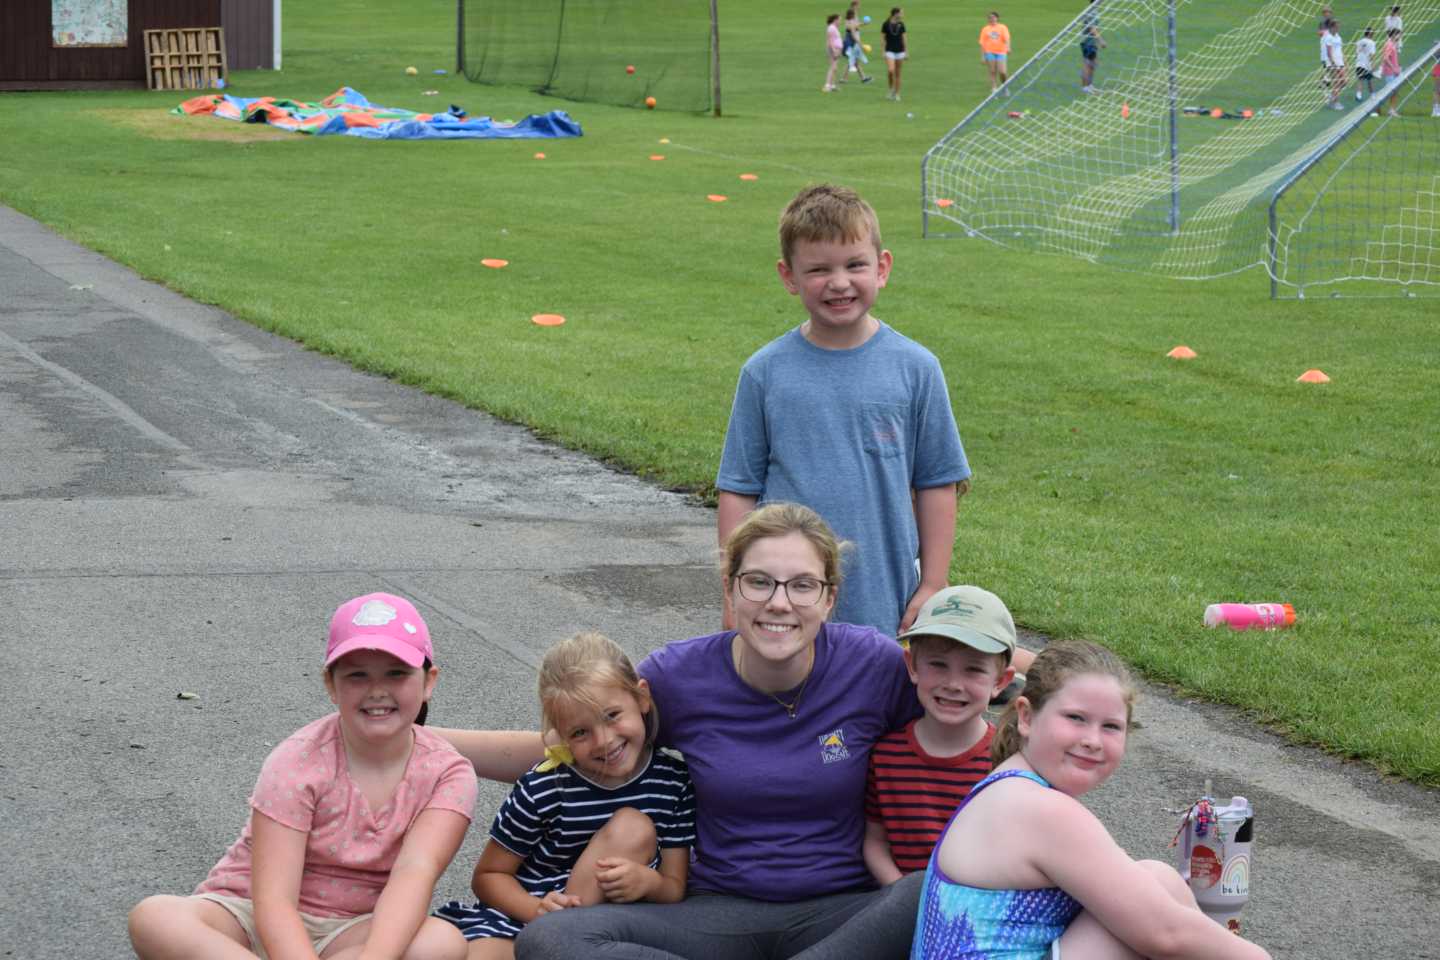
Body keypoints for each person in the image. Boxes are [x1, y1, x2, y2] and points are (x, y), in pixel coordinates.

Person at [510, 502, 931, 959]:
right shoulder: (681, 676)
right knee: (551, 938)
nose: (779, 601)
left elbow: (963, 719)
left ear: (829, 598)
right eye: (759, 581)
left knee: (924, 893)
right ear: (730, 589)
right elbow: (584, 740)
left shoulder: (873, 664)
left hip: (844, 916)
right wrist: (431, 741)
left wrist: (1010, 663)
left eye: (803, 585)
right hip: (718, 913)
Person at [128, 592, 477, 960]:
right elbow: (274, 898)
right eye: (357, 674)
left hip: (353, 927)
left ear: (428, 681)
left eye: (397, 673)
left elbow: (414, 874)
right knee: (156, 916)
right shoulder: (298, 760)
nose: (377, 690)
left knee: (441, 944)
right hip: (247, 915)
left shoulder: (448, 774)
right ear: (331, 684)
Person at [715, 183, 970, 645]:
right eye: (818, 269)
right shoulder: (765, 372)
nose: (839, 282)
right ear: (789, 276)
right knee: (783, 700)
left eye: (855, 264)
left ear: (883, 267)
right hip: (783, 597)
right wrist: (734, 591)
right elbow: (738, 488)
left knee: (871, 704)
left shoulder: (916, 369)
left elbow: (937, 482)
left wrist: (933, 582)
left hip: (881, 596)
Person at [911, 639, 1273, 960]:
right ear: (1026, 716)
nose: (1093, 740)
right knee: (1153, 923)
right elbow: (1166, 934)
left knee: (1155, 879)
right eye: (1076, 718)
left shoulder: (1010, 782)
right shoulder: (1040, 810)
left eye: (1111, 726)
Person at [435, 632, 694, 958]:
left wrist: (648, 883)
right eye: (580, 732)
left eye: (612, 715)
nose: (603, 741)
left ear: (641, 698)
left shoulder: (673, 783)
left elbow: (674, 886)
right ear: (560, 734)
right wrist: (536, 911)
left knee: (633, 826)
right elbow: (489, 876)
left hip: (616, 925)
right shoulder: (544, 788)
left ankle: (564, 942)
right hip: (523, 917)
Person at [863, 585, 1017, 884]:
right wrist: (902, 896)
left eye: (973, 670)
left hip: (977, 905)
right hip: (898, 901)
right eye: (938, 664)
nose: (953, 684)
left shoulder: (1008, 761)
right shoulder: (885, 756)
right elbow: (875, 843)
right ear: (912, 665)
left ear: (1001, 681)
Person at [979, 12, 1011, 94]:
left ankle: (1005, 87)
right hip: (989, 52)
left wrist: (1008, 47)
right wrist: (982, 56)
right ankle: (994, 88)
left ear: (997, 18)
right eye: (990, 17)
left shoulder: (1002, 27)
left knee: (1002, 72)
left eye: (993, 17)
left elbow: (1007, 38)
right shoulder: (985, 29)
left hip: (1001, 52)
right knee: (992, 71)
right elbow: (982, 43)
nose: (992, 19)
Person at [842, 2, 874, 85]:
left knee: (853, 60)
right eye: (858, 5)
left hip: (851, 41)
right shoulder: (850, 18)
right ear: (854, 6)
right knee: (854, 60)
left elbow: (855, 26)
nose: (859, 7)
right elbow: (851, 29)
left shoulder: (852, 17)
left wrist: (863, 24)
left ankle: (845, 78)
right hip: (851, 42)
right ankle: (863, 78)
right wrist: (860, 44)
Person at [881, 7, 908, 101]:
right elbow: (883, 38)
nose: (902, 15)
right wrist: (883, 51)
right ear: (895, 14)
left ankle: (897, 94)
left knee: (898, 73)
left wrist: (906, 51)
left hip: (900, 51)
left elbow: (904, 38)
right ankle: (891, 89)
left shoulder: (901, 24)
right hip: (889, 50)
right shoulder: (886, 24)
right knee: (890, 70)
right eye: (901, 13)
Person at [1080, 0, 1104, 93]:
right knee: (1087, 64)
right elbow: (1092, 28)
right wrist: (1101, 40)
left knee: (1092, 65)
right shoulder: (1091, 12)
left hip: (1091, 42)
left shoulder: (1094, 10)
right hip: (1087, 42)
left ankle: (1090, 85)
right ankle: (1085, 87)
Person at [1322, 19, 1346, 109]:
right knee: (1336, 82)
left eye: (1338, 27)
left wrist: (1345, 62)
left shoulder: (1338, 36)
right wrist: (1334, 64)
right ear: (1332, 27)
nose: (1338, 28)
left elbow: (1340, 50)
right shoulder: (1328, 37)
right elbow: (1329, 52)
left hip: (1340, 62)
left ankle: (1332, 97)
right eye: (1336, 27)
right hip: (1332, 63)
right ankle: (1336, 103)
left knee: (1344, 81)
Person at [1381, 28, 1402, 116]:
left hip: (1394, 72)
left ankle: (1392, 109)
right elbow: (1385, 58)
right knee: (1389, 92)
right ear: (1393, 35)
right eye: (1398, 34)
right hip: (1390, 73)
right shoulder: (1389, 44)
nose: (1399, 36)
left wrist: (1398, 67)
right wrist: (1394, 68)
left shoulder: (1393, 44)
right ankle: (1376, 109)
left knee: (1394, 91)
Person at [824, 14, 845, 93]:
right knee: (832, 68)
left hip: (836, 49)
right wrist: (834, 50)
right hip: (833, 50)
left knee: (835, 68)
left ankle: (832, 85)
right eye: (839, 20)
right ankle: (827, 85)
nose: (840, 21)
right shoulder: (831, 28)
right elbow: (830, 40)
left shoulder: (834, 28)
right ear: (835, 20)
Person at [1355, 26, 1376, 101]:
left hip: (1359, 63)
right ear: (1370, 34)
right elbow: (1372, 54)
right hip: (1367, 64)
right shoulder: (1372, 43)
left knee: (1360, 79)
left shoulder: (1359, 42)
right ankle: (1373, 95)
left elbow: (1357, 53)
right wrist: (1373, 64)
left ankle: (1358, 95)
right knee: (1370, 80)